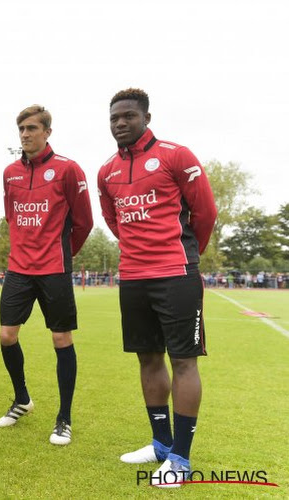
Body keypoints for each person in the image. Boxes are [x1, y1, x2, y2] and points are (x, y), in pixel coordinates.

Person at [97, 88, 217, 487]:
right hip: (132, 276)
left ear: (146, 117)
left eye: (128, 116)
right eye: (114, 117)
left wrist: (184, 253)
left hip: (175, 273)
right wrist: (138, 250)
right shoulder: (106, 171)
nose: (120, 123)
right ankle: (162, 445)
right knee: (147, 359)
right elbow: (114, 221)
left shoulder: (175, 155)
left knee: (183, 361)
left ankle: (181, 460)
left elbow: (205, 212)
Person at [0, 105, 93, 445]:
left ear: (47, 132)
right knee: (7, 335)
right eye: (21, 128)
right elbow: (12, 215)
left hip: (54, 268)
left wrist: (62, 253)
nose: (25, 134)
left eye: (32, 128)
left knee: (61, 339)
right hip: (19, 268)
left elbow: (84, 223)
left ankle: (64, 418)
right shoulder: (10, 172)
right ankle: (22, 399)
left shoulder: (68, 170)